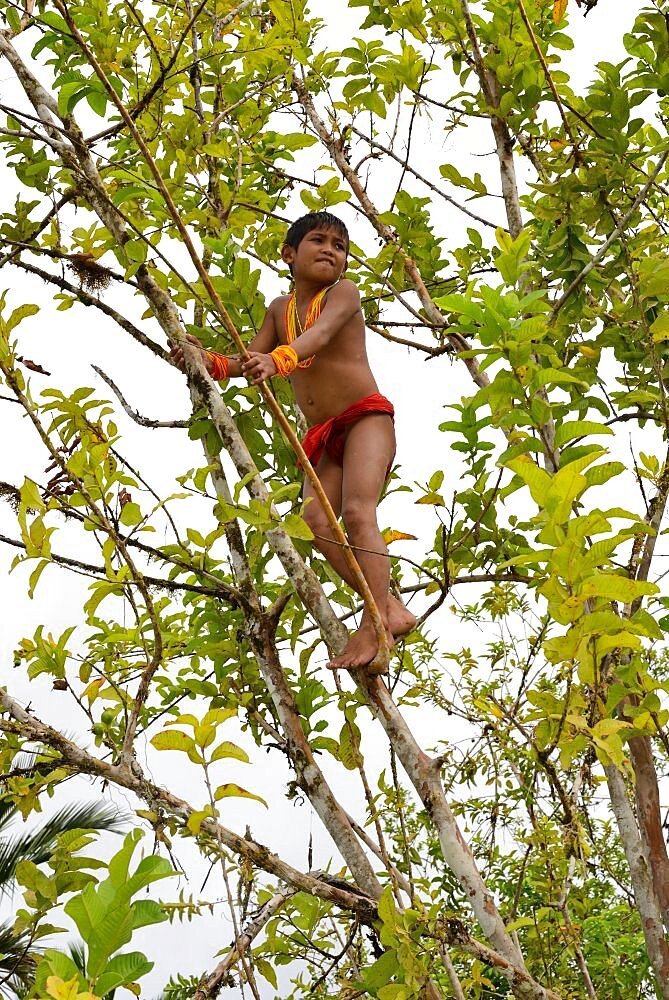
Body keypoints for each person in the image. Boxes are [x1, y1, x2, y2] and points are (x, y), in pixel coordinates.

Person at [171, 211, 416, 672]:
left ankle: (375, 626)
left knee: (359, 512)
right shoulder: (278, 308)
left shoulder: (343, 293)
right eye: (318, 240)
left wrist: (278, 361)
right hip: (322, 436)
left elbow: (318, 338)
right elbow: (246, 362)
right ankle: (388, 604)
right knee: (316, 522)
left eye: (339, 246)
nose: (330, 250)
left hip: (365, 418)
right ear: (288, 253)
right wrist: (202, 359)